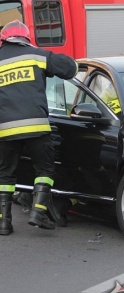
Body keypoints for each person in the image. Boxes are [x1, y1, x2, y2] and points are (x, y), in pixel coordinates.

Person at [0, 20, 78, 235]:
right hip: (36, 126)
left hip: (4, 129)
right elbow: (71, 68)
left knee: (5, 175)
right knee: (44, 170)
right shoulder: (36, 55)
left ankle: (3, 223)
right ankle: (38, 213)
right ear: (26, 39)